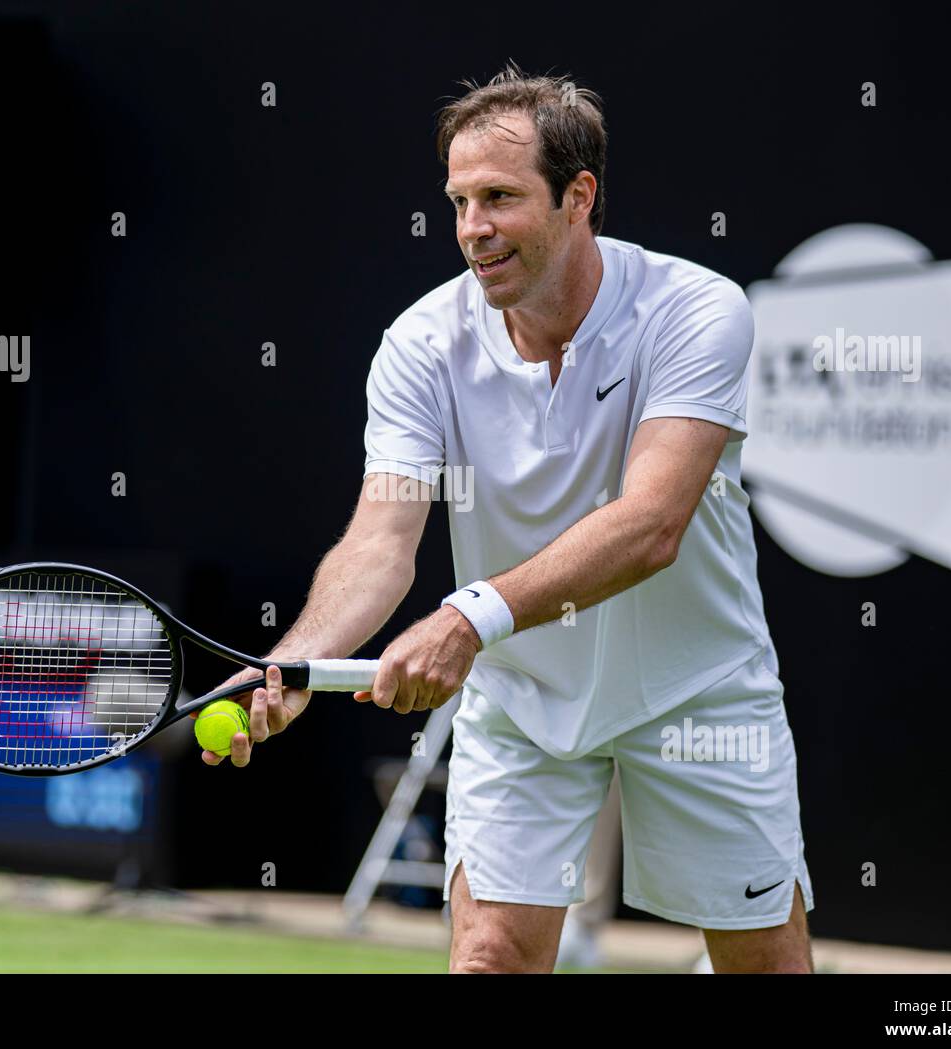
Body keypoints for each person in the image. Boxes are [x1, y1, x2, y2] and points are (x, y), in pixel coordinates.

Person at [206, 60, 815, 974]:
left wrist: (469, 616)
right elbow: (382, 540)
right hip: (524, 698)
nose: (472, 230)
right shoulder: (420, 346)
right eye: (457, 203)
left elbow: (652, 523)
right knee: (489, 958)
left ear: (579, 196)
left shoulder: (696, 310)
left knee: (764, 967)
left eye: (499, 197)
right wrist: (296, 659)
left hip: (698, 691)